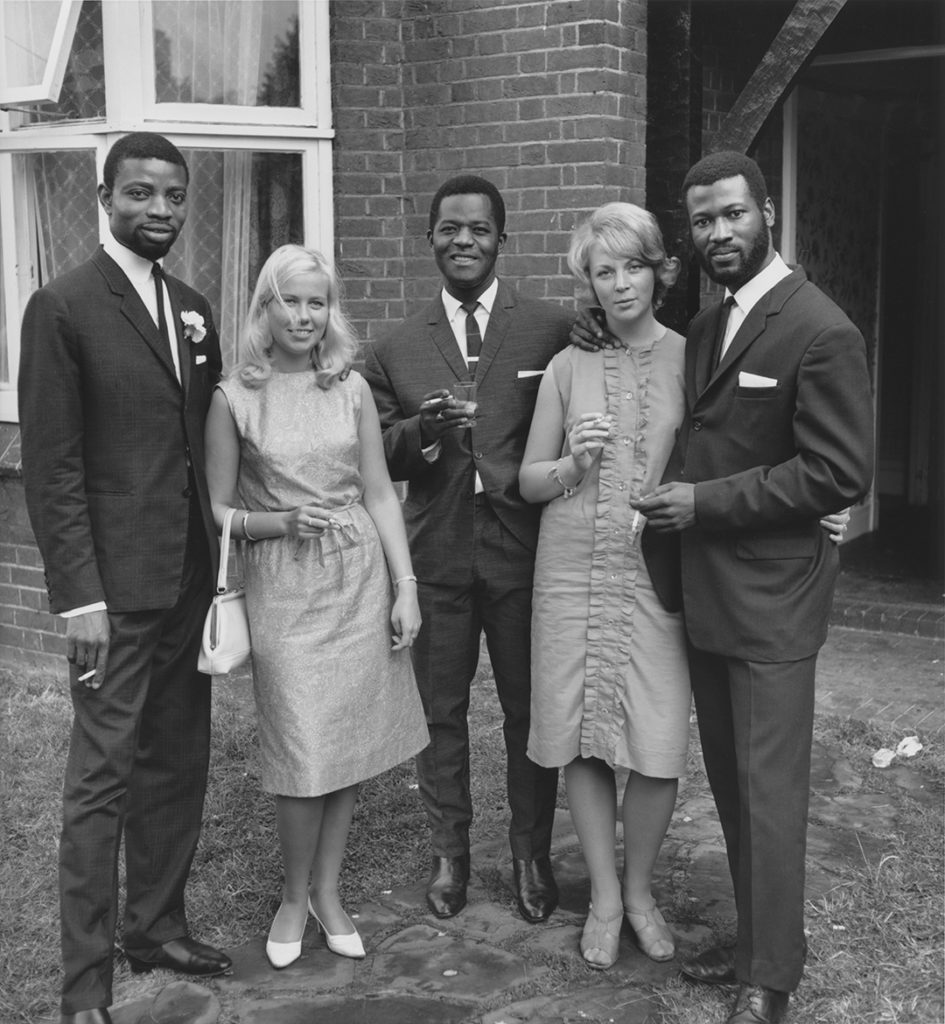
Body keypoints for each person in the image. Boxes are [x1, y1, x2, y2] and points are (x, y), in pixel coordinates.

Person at [633, 151, 874, 1024]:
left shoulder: (819, 327)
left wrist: (703, 502)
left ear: (765, 211)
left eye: (731, 215)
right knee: (733, 787)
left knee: (768, 797)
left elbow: (838, 472)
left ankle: (770, 980)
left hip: (774, 601)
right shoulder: (704, 326)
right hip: (706, 594)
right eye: (701, 221)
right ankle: (751, 945)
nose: (717, 233)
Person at [18, 132, 231, 1024]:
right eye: (140, 193)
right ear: (103, 197)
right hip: (114, 594)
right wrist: (81, 598)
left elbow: (215, 429)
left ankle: (156, 926)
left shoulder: (191, 305)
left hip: (187, 579)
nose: (160, 211)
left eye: (174, 197)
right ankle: (83, 990)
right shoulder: (61, 306)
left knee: (178, 761)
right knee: (101, 779)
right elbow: (52, 465)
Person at [203, 244, 429, 970]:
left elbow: (376, 490)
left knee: (348, 740)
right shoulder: (234, 394)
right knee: (302, 746)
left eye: (316, 302)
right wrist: (277, 524)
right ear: (263, 308)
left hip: (358, 576)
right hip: (285, 583)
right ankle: (293, 896)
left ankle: (329, 892)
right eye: (290, 300)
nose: (304, 315)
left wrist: (405, 586)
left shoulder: (350, 387)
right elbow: (215, 509)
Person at [362, 175, 573, 924]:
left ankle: (529, 852)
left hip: (524, 555)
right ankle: (450, 850)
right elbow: (377, 455)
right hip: (440, 556)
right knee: (440, 712)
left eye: (478, 230)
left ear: (500, 241)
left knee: (529, 712)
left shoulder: (549, 327)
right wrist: (423, 430)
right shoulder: (391, 347)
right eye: (449, 228)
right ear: (429, 239)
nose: (463, 241)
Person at [520, 203, 691, 970]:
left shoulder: (696, 357)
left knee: (655, 744)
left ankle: (643, 888)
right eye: (601, 270)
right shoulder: (566, 365)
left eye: (631, 265)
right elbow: (526, 480)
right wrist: (572, 465)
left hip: (656, 574)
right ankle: (605, 897)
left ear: (658, 270)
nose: (618, 284)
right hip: (569, 568)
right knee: (581, 738)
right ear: (585, 282)